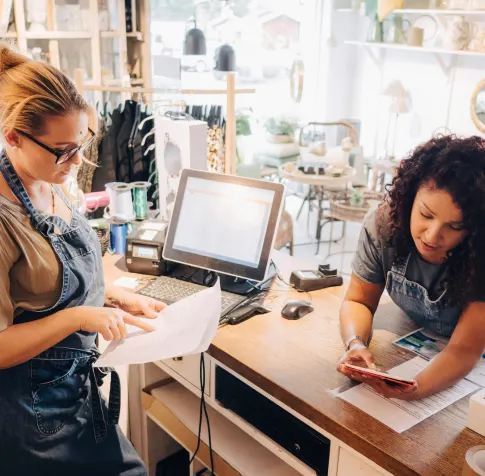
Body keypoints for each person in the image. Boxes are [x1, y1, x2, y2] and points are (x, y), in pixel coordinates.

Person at [0, 46, 166, 475]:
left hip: (76, 395)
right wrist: (79, 318)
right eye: (62, 150)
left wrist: (110, 295)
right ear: (13, 135)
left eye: (82, 143)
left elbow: (42, 284)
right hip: (34, 419)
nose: (76, 162)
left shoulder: (47, 178)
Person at [337, 135, 485, 400]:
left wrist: (417, 388)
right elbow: (358, 300)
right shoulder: (384, 225)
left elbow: (464, 350)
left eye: (454, 227)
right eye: (426, 215)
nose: (432, 236)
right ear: (409, 198)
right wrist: (355, 343)